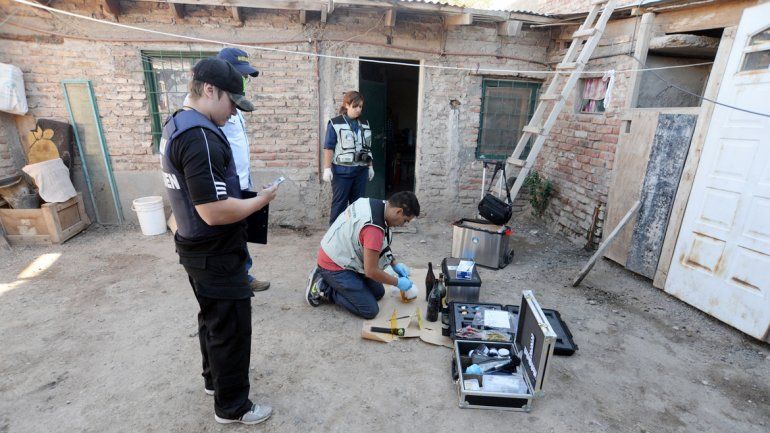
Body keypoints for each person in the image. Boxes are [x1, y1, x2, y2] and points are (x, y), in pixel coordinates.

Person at [160, 57, 277, 425]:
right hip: (215, 251)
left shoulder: (176, 125)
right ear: (209, 90)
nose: (233, 114)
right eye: (231, 103)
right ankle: (233, 408)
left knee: (212, 319)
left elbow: (184, 197)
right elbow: (212, 211)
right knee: (231, 329)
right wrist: (261, 200)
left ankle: (215, 382)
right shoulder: (200, 137)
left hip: (194, 247)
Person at [305, 191, 420, 319]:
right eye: (405, 221)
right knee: (369, 310)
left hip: (343, 254)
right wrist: (397, 282)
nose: (402, 225)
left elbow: (381, 243)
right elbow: (370, 271)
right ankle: (324, 287)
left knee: (378, 293)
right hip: (334, 264)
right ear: (398, 211)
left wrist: (394, 263)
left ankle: (349, 283)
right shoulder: (374, 229)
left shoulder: (378, 205)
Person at [216, 47, 270, 292]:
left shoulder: (234, 107)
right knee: (228, 233)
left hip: (240, 179)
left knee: (240, 231)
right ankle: (234, 280)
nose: (243, 80)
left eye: (245, 76)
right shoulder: (213, 109)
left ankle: (243, 275)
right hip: (225, 183)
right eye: (240, 75)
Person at [321, 91, 375, 225]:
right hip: (342, 173)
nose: (358, 110)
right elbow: (329, 147)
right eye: (355, 106)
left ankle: (354, 235)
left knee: (358, 206)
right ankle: (334, 237)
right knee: (339, 205)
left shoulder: (365, 124)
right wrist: (327, 168)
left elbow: (367, 148)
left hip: (360, 172)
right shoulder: (335, 123)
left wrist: (370, 167)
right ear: (347, 105)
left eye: (361, 107)